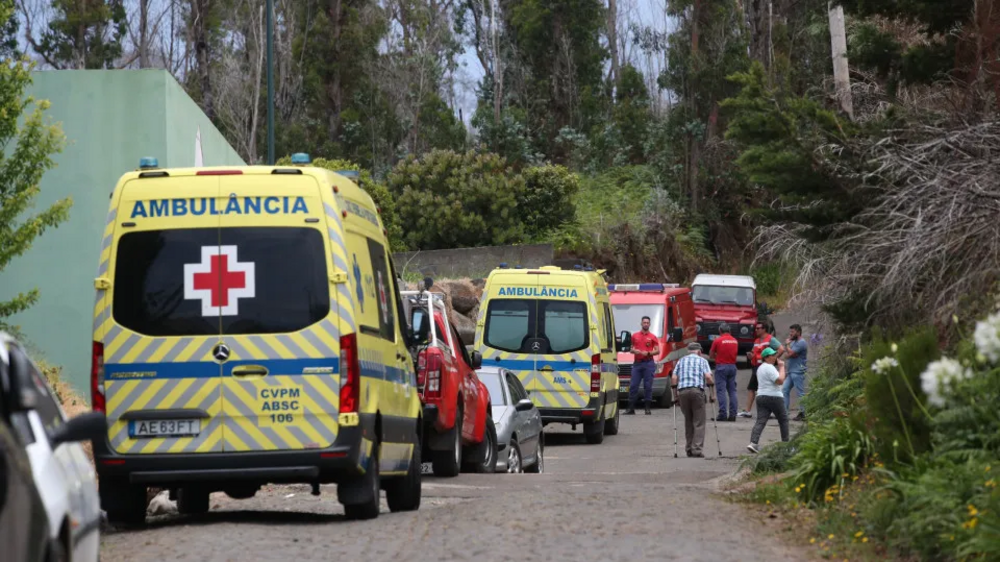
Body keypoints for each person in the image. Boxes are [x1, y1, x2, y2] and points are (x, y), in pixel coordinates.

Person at [671, 342, 715, 457]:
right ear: (699, 351)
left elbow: (674, 378)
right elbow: (708, 377)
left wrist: (675, 396)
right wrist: (712, 393)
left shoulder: (681, 361)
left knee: (688, 421)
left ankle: (689, 449)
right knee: (699, 422)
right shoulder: (702, 361)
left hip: (683, 392)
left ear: (688, 351)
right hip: (697, 392)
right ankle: (696, 450)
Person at [746, 347, 789, 453]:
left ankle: (753, 443)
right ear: (766, 357)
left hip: (761, 396)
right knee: (783, 420)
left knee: (761, 420)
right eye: (772, 355)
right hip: (774, 396)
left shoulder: (760, 368)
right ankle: (786, 445)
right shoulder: (769, 367)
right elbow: (780, 381)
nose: (775, 357)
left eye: (775, 354)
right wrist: (782, 367)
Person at [738, 321, 785, 418]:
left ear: (764, 329)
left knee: (766, 389)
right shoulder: (756, 341)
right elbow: (754, 353)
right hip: (756, 367)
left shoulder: (770, 339)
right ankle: (748, 411)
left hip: (765, 367)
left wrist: (773, 359)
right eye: (756, 328)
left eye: (758, 328)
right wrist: (751, 356)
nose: (756, 330)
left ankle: (770, 411)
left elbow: (781, 349)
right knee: (751, 388)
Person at [626, 315, 659, 415]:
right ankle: (631, 408)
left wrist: (648, 353)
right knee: (633, 385)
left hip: (648, 363)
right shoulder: (635, 336)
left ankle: (647, 408)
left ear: (650, 324)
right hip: (637, 364)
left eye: (647, 323)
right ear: (641, 323)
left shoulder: (653, 337)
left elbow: (657, 351)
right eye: (644, 322)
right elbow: (630, 348)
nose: (646, 324)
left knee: (648, 386)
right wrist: (634, 351)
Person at [709, 323, 739, 422]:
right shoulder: (735, 341)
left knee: (721, 391)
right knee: (732, 391)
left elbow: (711, 355)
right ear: (729, 331)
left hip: (721, 367)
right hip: (732, 366)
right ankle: (733, 414)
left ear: (720, 331)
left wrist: (718, 356)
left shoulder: (717, 340)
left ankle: (723, 414)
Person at [782, 323, 809, 421]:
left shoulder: (801, 342)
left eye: (792, 332)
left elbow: (791, 353)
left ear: (798, 332)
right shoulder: (793, 343)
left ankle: (803, 413)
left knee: (800, 393)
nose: (790, 334)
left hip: (798, 371)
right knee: (785, 389)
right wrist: (789, 351)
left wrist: (788, 346)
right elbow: (787, 355)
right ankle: (784, 413)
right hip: (791, 371)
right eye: (790, 331)